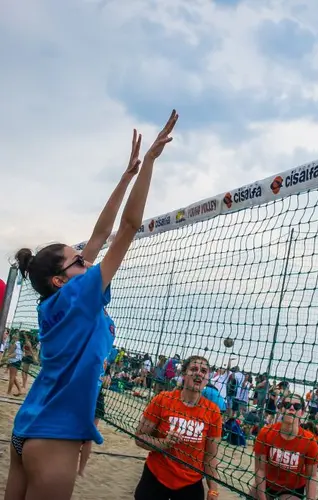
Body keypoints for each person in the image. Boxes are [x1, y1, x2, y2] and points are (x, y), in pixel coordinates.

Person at [4, 110, 178, 500]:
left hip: (29, 424)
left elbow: (100, 234)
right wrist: (150, 162)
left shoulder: (56, 303)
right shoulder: (79, 296)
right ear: (60, 279)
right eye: (78, 260)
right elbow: (127, 228)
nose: (88, 259)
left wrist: (126, 175)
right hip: (53, 434)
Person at [134, 355, 222, 500]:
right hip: (157, 475)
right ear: (183, 374)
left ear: (207, 378)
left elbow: (210, 456)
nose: (199, 373)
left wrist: (213, 489)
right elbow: (139, 438)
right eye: (194, 369)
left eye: (204, 371)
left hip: (190, 483)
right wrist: (164, 443)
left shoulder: (213, 412)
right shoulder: (163, 399)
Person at [252, 394, 318, 500]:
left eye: (296, 406)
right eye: (287, 405)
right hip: (268, 484)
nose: (291, 408)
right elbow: (260, 470)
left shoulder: (310, 441)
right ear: (281, 409)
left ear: (302, 412)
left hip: (293, 489)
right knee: (253, 495)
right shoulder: (266, 433)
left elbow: (311, 476)